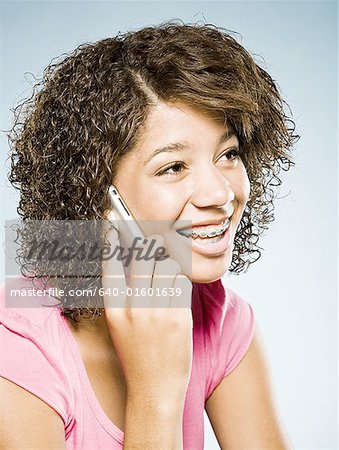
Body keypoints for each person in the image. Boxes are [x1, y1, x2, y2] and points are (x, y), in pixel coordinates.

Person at [0, 21, 298, 449]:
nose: (220, 193)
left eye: (228, 154)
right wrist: (155, 391)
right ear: (96, 198)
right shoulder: (15, 348)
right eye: (173, 167)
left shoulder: (220, 319)